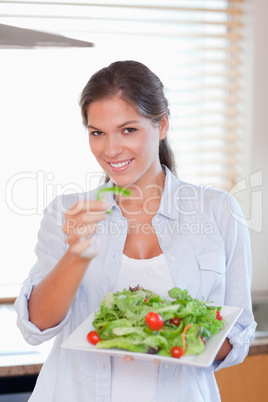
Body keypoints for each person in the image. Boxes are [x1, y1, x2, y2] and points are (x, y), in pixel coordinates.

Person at [15, 60, 256, 402]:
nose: (110, 149)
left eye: (128, 130)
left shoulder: (217, 211)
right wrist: (76, 253)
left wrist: (162, 339)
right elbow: (36, 326)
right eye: (97, 132)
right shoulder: (68, 212)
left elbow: (239, 335)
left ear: (162, 125)